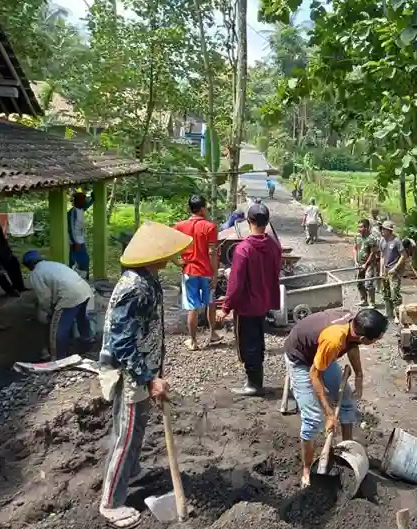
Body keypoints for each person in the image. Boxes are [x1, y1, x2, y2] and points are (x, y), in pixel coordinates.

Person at [97, 221, 191, 529]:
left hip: (142, 368)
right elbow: (122, 342)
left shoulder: (147, 279)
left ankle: (133, 470)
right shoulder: (135, 288)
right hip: (130, 373)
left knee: (135, 428)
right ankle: (110, 502)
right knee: (126, 435)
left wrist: (155, 372)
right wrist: (148, 378)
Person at [283, 307, 388, 487]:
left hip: (321, 352)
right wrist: (329, 414)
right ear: (364, 338)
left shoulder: (355, 323)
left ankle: (347, 453)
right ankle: (307, 469)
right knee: (313, 419)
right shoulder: (334, 340)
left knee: (346, 400)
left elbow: (352, 345)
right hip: (301, 358)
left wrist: (359, 376)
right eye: (376, 339)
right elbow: (314, 374)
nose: (377, 341)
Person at [216, 203, 282, 396]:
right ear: (267, 222)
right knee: (258, 340)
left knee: (248, 343)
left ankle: (254, 384)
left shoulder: (243, 249)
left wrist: (225, 308)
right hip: (263, 302)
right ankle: (255, 380)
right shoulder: (273, 246)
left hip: (246, 305)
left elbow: (236, 283)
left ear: (248, 221)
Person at [22, 250, 95, 360]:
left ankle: (58, 357)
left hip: (69, 296)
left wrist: (49, 311)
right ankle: (87, 339)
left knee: (58, 328)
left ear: (29, 265)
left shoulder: (36, 273)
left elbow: (44, 297)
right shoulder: (53, 264)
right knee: (81, 317)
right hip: (84, 289)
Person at [174, 195, 220, 351]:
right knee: (211, 302)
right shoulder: (209, 227)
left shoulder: (179, 226)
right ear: (202, 209)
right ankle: (213, 333)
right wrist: (215, 274)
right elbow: (212, 252)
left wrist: (177, 262)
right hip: (206, 271)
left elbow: (168, 244)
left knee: (192, 306)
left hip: (189, 271)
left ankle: (193, 341)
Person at [379, 220, 407, 321]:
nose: (382, 231)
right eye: (382, 229)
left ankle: (398, 315)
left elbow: (404, 256)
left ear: (389, 231)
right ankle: (389, 312)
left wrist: (395, 268)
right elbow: (382, 256)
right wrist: (381, 270)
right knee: (385, 292)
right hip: (385, 270)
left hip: (394, 271)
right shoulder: (382, 241)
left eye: (384, 229)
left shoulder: (397, 241)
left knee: (394, 294)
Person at [353, 219, 379, 307]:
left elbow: (372, 252)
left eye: (361, 227)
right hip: (359, 263)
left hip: (369, 265)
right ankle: (363, 300)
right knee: (359, 283)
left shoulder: (371, 238)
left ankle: (372, 302)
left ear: (367, 227)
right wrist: (355, 261)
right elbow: (355, 248)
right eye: (358, 227)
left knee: (368, 284)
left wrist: (366, 264)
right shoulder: (357, 237)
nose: (359, 229)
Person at [68, 191, 93, 278]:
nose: (84, 201)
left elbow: (87, 205)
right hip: (75, 242)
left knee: (83, 260)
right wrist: (75, 242)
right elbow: (71, 228)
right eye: (82, 200)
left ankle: (83, 278)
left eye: (84, 199)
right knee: (79, 261)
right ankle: (79, 278)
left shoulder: (81, 209)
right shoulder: (73, 212)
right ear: (76, 201)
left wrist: (92, 199)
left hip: (80, 240)